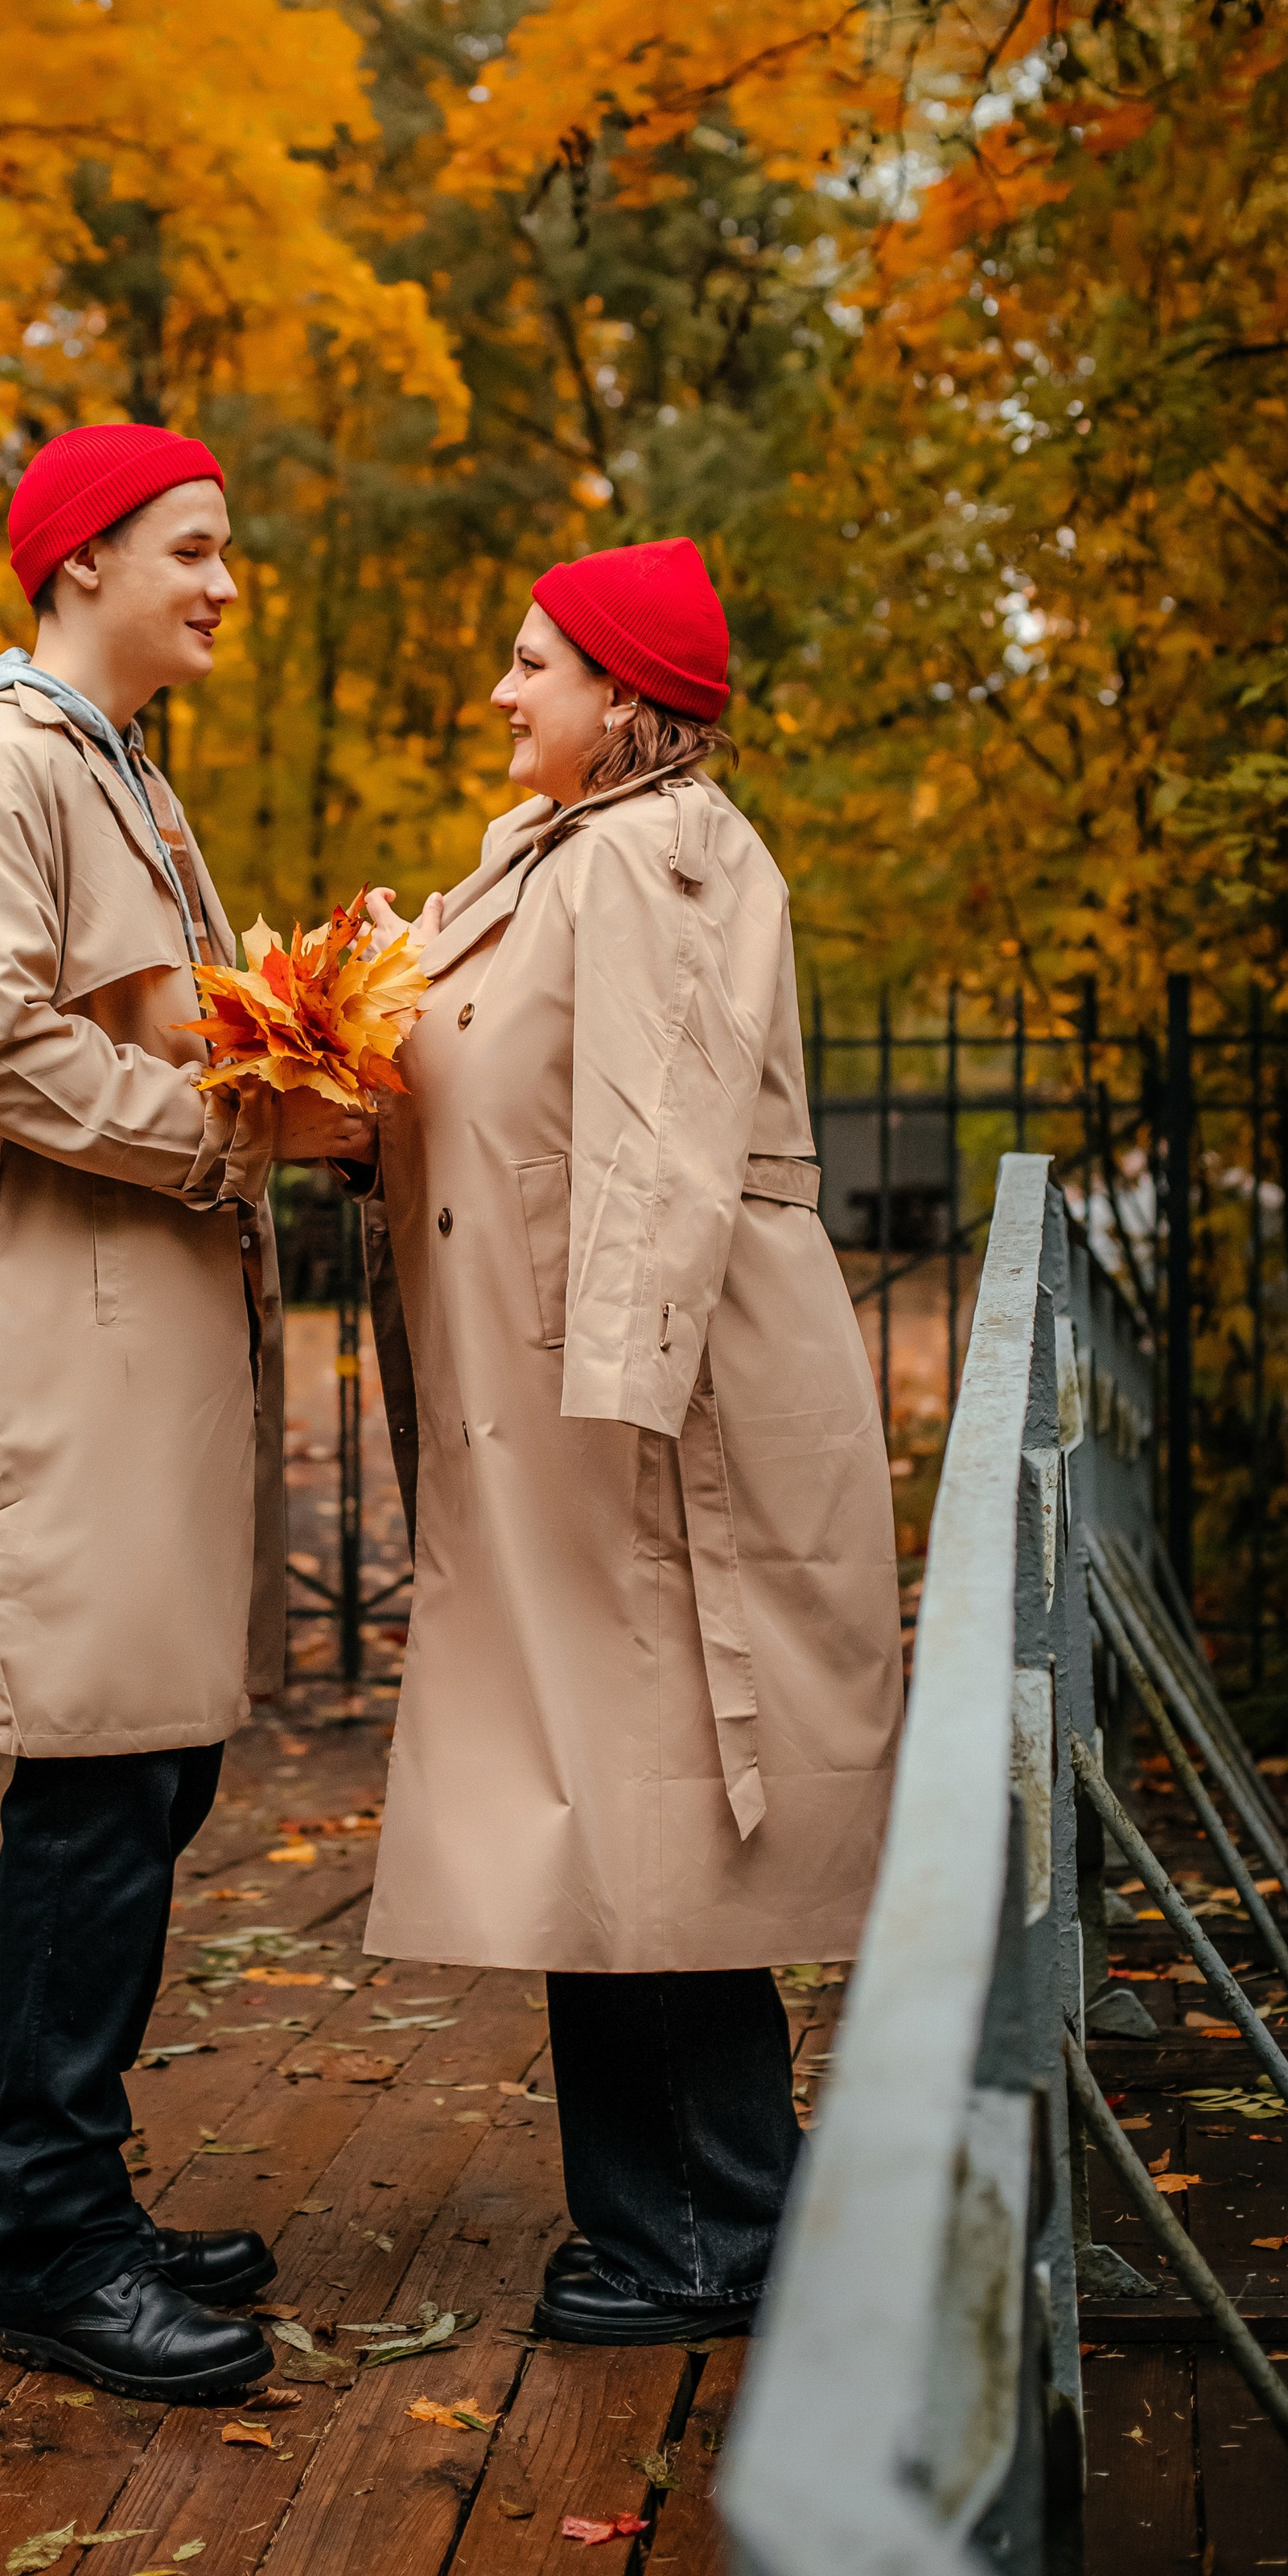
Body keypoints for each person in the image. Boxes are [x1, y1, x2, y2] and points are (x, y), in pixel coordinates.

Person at [0, 421, 372, 2404]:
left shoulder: (121, 780)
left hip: (133, 1335)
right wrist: (219, 1150)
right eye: (193, 547)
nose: (224, 580)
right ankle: (50, 2247)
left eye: (225, 548)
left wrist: (292, 1080)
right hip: (49, 1349)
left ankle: (74, 2193)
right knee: (90, 1784)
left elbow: (169, 1033)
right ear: (81, 560)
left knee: (145, 1771)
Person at [360, 535, 903, 2347]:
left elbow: (661, 1143)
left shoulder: (653, 861)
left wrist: (617, 1403)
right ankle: (708, 2206)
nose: (502, 692)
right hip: (568, 1409)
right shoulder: (561, 857)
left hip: (631, 1414)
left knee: (647, 1794)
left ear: (623, 696)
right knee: (608, 1799)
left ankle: (701, 2235)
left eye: (532, 663)